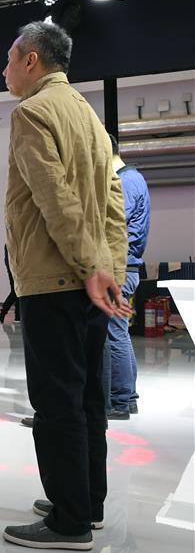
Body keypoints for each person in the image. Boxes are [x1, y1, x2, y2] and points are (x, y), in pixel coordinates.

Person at [0, 21, 130, 552]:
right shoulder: (88, 115)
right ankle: (87, 502)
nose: (5, 70)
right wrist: (109, 272)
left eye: (10, 59)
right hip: (91, 281)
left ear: (31, 60)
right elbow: (114, 204)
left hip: (53, 280)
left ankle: (69, 521)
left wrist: (89, 266)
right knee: (88, 397)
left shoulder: (32, 113)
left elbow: (55, 199)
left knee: (56, 402)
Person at [102, 135, 150, 420]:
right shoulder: (133, 178)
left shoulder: (125, 181)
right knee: (118, 332)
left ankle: (120, 400)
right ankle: (126, 397)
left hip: (120, 267)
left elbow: (114, 223)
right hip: (127, 267)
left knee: (113, 333)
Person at [0, 244, 20, 324]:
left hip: (14, 269)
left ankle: (17, 316)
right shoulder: (11, 242)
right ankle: (3, 312)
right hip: (15, 270)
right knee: (16, 292)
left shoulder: (10, 242)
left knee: (17, 292)